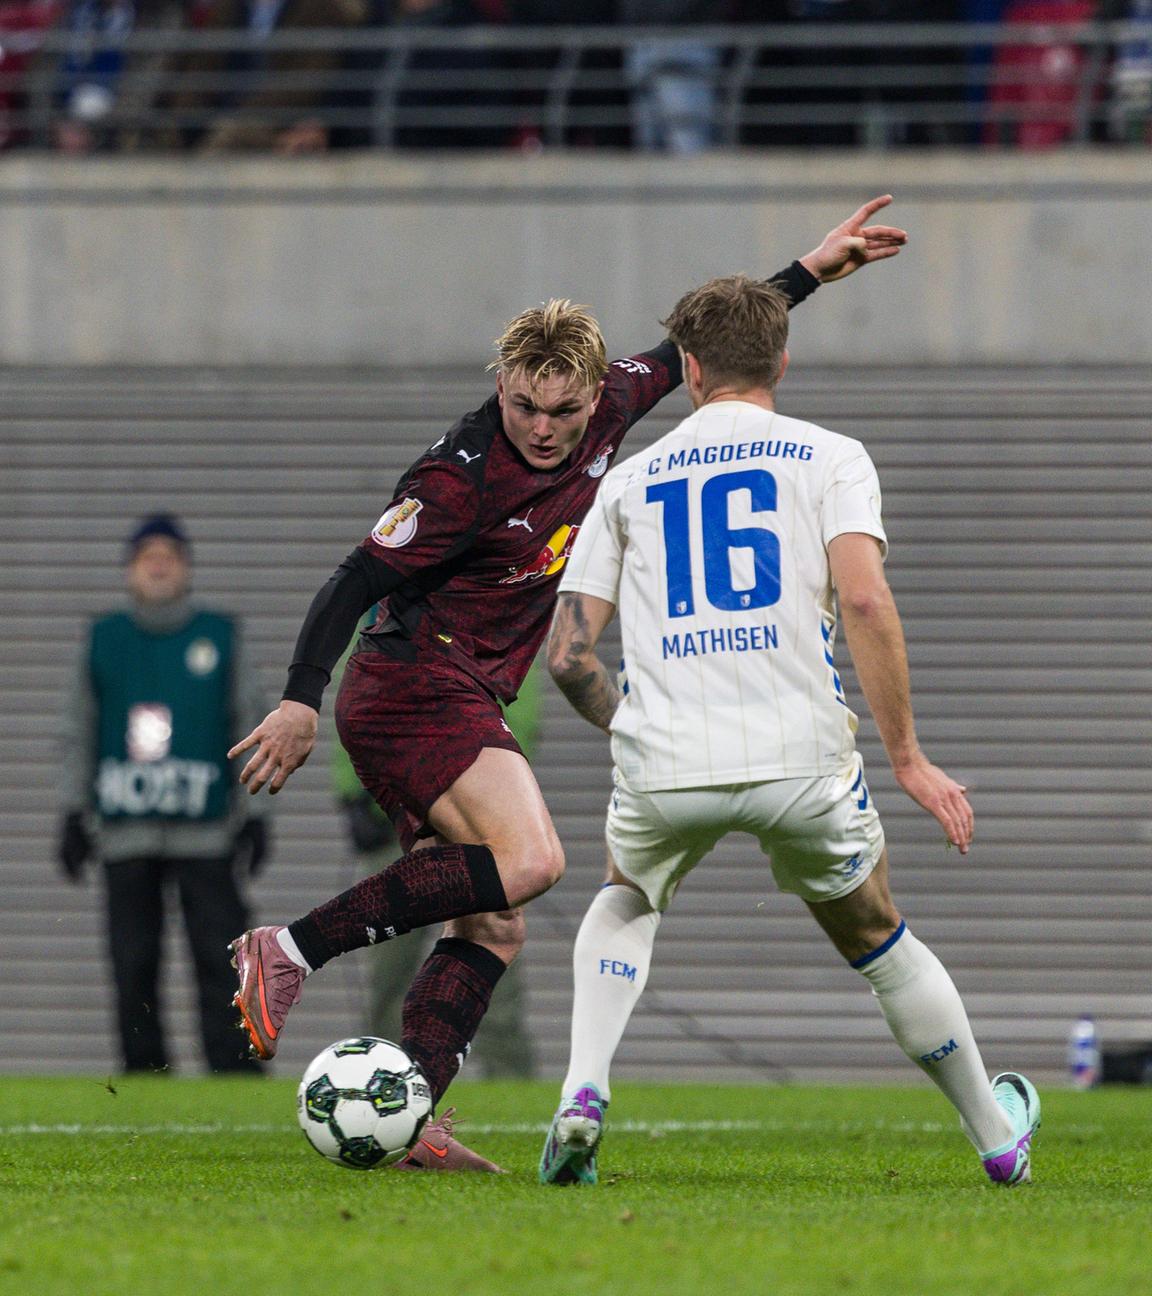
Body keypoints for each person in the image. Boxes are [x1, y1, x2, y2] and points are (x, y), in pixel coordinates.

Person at [225, 197, 908, 1172]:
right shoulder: (453, 480)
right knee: (535, 860)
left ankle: (410, 1111)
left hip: (462, 692)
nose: (543, 430)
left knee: (494, 926)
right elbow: (353, 579)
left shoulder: (621, 397)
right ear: (499, 384)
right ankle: (285, 951)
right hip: (411, 685)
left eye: (564, 411)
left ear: (596, 393)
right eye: (523, 407)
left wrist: (810, 268)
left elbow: (705, 340)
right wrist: (298, 698)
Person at [536, 274, 1040, 1189]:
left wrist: (634, 728)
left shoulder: (629, 481)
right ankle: (997, 1138)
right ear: (783, 358)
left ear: (689, 367)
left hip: (665, 761)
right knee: (877, 935)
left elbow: (567, 656)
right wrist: (910, 760)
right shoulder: (831, 457)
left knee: (627, 897)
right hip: (800, 759)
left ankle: (582, 1091)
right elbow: (862, 598)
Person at [57, 513, 273, 1074]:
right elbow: (77, 729)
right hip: (125, 832)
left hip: (206, 832)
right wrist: (72, 812)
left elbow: (248, 722)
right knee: (132, 961)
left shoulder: (220, 635)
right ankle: (145, 1070)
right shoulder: (104, 638)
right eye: (146, 556)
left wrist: (256, 812)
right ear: (129, 570)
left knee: (220, 958)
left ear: (186, 568)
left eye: (169, 555)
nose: (158, 564)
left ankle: (233, 1070)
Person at [331, 615, 538, 1077]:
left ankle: (511, 1083)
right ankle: (377, 1080)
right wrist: (352, 794)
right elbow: (353, 702)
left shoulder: (498, 616)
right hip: (399, 819)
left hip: (474, 814)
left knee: (492, 953)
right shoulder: (384, 615)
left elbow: (521, 711)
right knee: (390, 966)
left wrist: (495, 794)